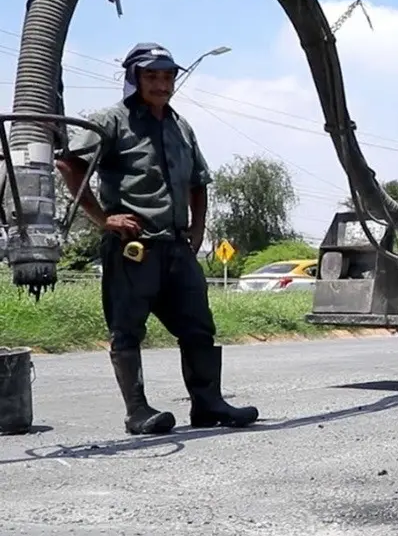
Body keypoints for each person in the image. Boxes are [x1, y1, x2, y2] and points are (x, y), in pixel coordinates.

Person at [57, 42, 259, 435]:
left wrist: (198, 229)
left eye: (168, 77)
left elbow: (199, 183)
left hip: (176, 246)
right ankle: (137, 412)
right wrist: (104, 218)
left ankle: (208, 404)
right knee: (127, 329)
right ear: (134, 79)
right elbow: (69, 163)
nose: (161, 84)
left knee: (199, 326)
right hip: (133, 247)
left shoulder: (181, 127)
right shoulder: (113, 120)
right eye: (152, 76)